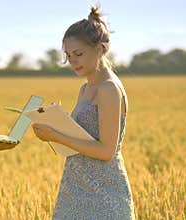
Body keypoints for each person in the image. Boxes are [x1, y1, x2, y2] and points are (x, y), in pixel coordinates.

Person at [31, 5, 135, 219]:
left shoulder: (108, 89)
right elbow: (83, 138)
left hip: (104, 193)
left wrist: (56, 135)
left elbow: (107, 151)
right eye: (68, 55)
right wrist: (56, 122)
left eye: (78, 53)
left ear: (100, 48)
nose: (72, 61)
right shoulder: (85, 88)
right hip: (75, 188)